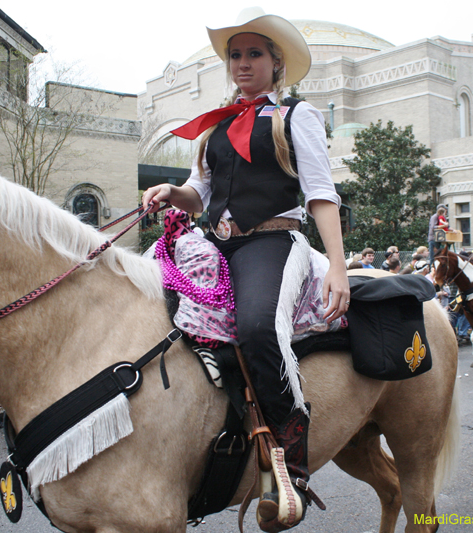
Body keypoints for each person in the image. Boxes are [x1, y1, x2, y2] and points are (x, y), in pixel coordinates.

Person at [141, 8, 350, 529]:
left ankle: (291, 455)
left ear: (277, 63)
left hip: (273, 241)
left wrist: (339, 269)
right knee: (147, 300)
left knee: (257, 329)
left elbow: (321, 194)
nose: (242, 63)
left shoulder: (295, 115)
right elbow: (200, 194)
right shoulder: (215, 125)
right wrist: (173, 192)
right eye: (236, 54)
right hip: (216, 240)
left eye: (254, 53)